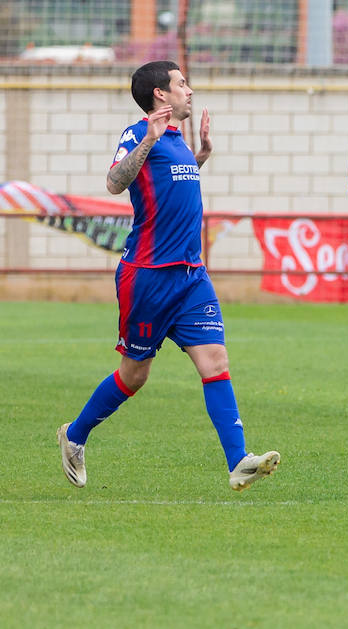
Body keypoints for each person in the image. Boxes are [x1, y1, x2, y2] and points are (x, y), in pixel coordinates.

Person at [57, 60, 280, 491]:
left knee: (216, 362)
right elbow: (115, 182)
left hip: (191, 275)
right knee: (134, 374)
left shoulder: (177, 140)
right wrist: (149, 141)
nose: (190, 91)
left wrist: (201, 158)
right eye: (181, 84)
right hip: (148, 276)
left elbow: (170, 185)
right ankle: (75, 435)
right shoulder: (140, 133)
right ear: (160, 94)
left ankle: (239, 461)